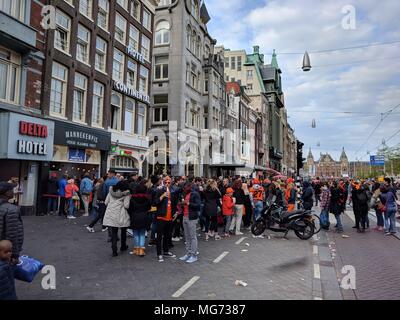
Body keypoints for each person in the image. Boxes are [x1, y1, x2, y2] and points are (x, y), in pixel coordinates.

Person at [153, 176, 178, 262]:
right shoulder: (159, 190)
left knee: (168, 235)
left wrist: (176, 212)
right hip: (161, 217)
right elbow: (155, 202)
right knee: (159, 236)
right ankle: (159, 253)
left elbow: (174, 203)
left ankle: (166, 251)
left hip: (169, 217)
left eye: (169, 182)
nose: (167, 184)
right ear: (163, 182)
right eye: (166, 182)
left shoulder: (172, 191)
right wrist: (162, 196)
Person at [103, 181, 131, 257]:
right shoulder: (127, 194)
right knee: (123, 230)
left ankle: (114, 250)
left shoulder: (111, 191)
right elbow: (126, 206)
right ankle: (123, 246)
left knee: (114, 232)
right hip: (121, 214)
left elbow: (106, 202)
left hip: (111, 214)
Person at [0, 182, 23, 265]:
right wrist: (14, 255)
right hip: (4, 252)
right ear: (7, 193)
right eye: (12, 190)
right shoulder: (11, 209)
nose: (14, 191)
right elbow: (12, 234)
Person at [179, 183, 201, 263]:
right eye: (184, 187)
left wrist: (188, 203)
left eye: (186, 187)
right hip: (185, 216)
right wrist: (181, 204)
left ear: (190, 187)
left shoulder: (195, 194)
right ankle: (188, 253)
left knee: (192, 237)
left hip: (191, 217)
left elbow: (198, 205)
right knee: (187, 236)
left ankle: (194, 255)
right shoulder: (185, 194)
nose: (184, 188)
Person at [128, 182, 151, 257]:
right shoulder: (147, 199)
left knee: (135, 234)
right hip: (144, 216)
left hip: (134, 217)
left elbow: (129, 209)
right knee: (142, 233)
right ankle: (141, 249)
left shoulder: (132, 198)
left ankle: (136, 248)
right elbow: (149, 208)